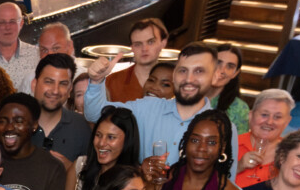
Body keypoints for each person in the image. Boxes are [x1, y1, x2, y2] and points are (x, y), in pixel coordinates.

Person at [84, 43, 218, 172]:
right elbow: (96, 114)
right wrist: (96, 81)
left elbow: (225, 185)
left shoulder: (221, 127)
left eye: (199, 71)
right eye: (183, 71)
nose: (189, 79)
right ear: (175, 75)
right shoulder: (147, 107)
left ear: (214, 76)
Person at [0, 94, 71, 190]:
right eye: (3, 121)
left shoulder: (52, 167)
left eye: (18, 121)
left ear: (34, 125)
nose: (9, 127)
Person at [74, 105, 142, 190]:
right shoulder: (81, 165)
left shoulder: (136, 179)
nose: (101, 143)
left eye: (111, 137)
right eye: (98, 135)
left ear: (127, 141)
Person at [29, 54, 89, 165]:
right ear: (34, 85)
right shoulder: (14, 121)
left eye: (63, 84)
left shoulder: (81, 127)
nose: (55, 91)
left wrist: (72, 170)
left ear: (70, 89)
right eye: (49, 82)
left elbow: (91, 175)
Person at [234, 89, 295, 189]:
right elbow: (206, 184)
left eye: (277, 117)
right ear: (250, 116)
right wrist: (236, 168)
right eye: (264, 115)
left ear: (287, 121)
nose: (270, 122)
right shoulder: (228, 145)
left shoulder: (293, 154)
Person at [105, 18, 170, 103]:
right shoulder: (112, 82)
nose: (144, 49)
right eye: (138, 44)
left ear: (163, 43)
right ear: (131, 48)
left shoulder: (175, 81)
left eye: (150, 42)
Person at [208, 44, 250, 134]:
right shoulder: (189, 93)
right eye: (218, 62)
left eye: (230, 66)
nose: (222, 70)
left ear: (235, 73)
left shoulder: (239, 108)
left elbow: (238, 144)